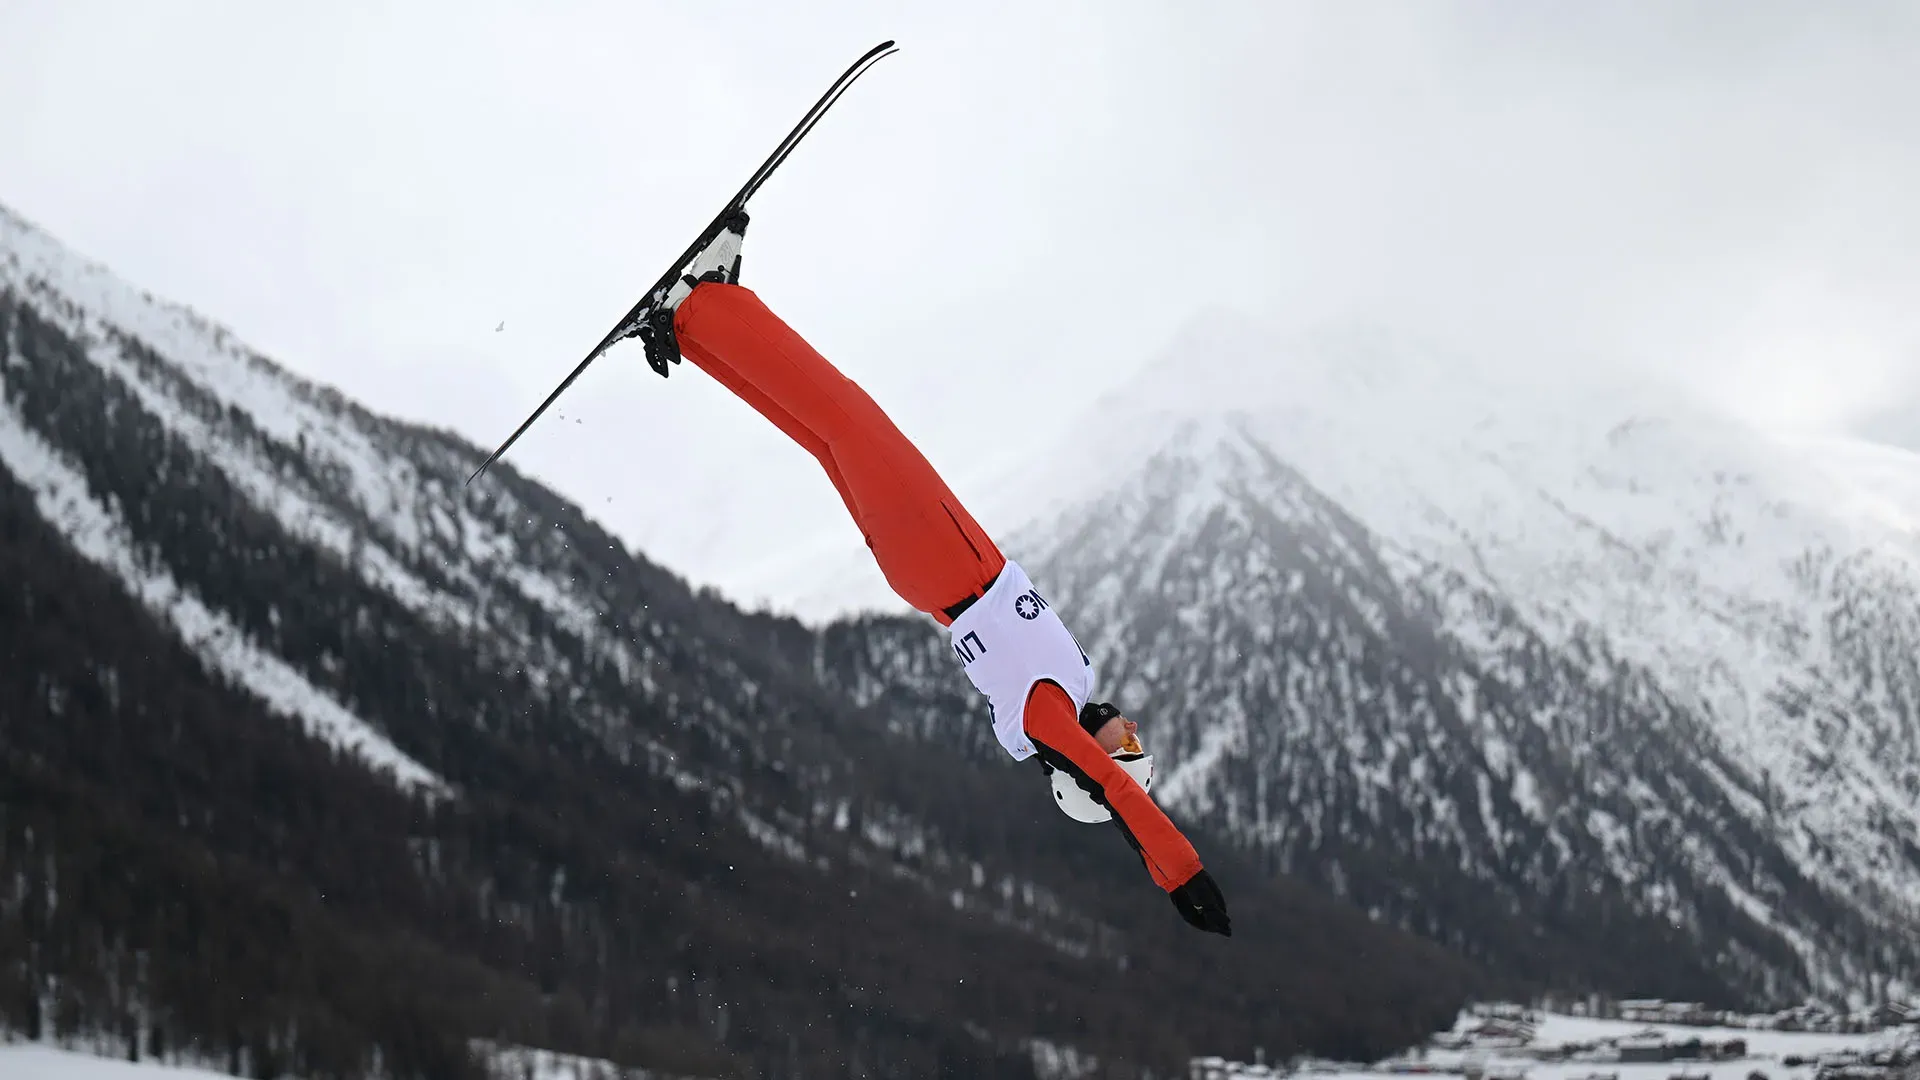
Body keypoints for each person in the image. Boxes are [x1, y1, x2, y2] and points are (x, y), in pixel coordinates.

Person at [635, 211, 1231, 936]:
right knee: (827, 436)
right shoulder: (1054, 703)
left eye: (1127, 750)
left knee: (845, 416)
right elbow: (1107, 778)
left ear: (1086, 774)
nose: (1129, 731)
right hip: (938, 568)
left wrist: (1181, 869)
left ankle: (700, 304)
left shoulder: (1046, 719)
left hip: (945, 562)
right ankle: (695, 326)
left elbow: (1114, 791)